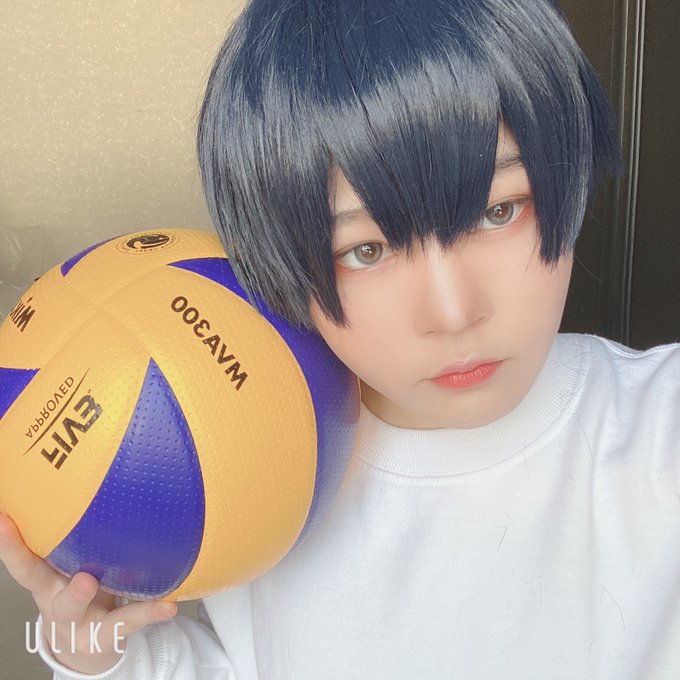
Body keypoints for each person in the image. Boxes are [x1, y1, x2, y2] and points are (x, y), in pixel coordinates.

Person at [1, 0, 679, 677]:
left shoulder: (657, 432)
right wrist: (99, 653)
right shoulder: (245, 450)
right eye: (366, 250)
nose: (452, 312)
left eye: (498, 210)